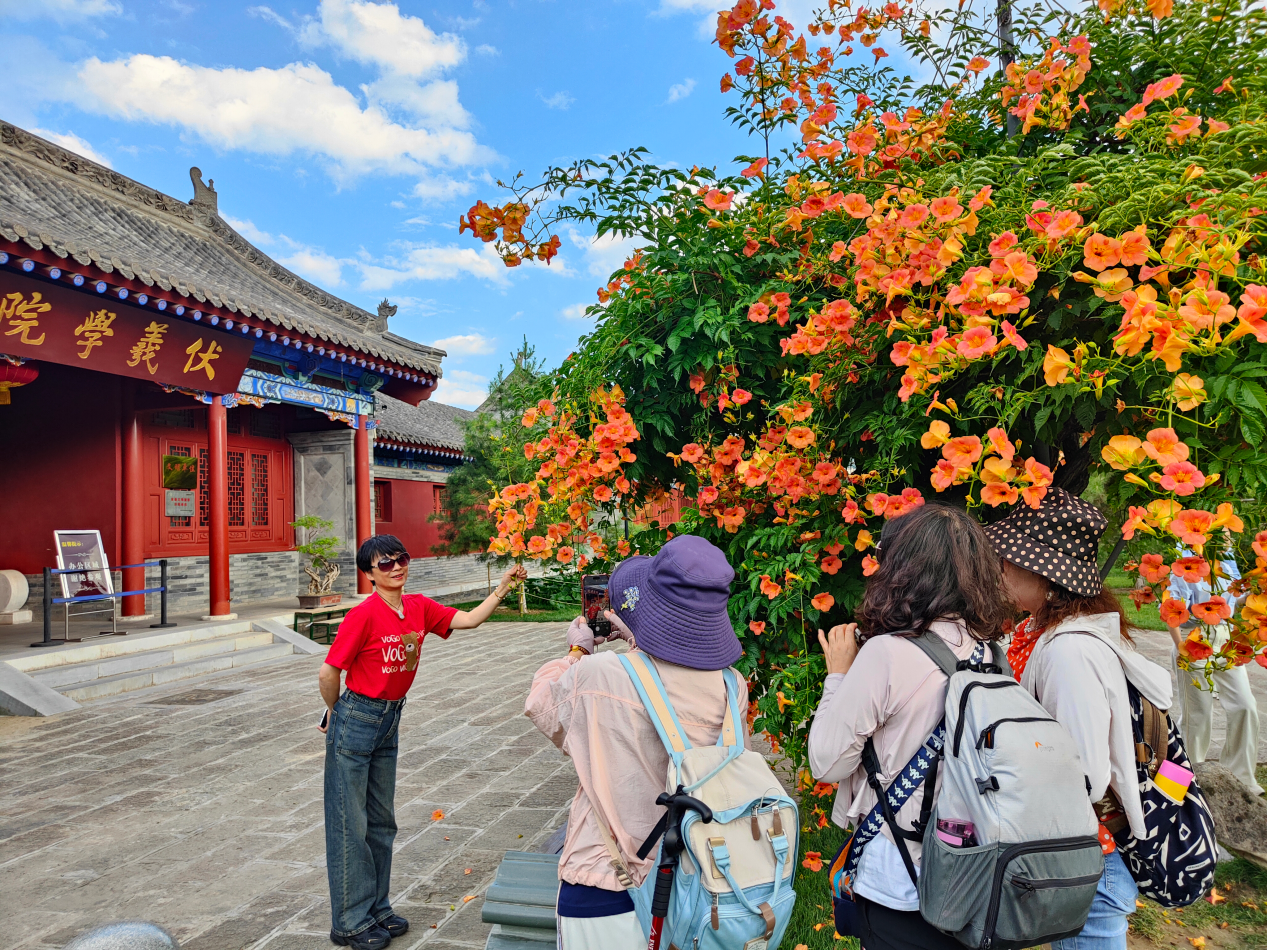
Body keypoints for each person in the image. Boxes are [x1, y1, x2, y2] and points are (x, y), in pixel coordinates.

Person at [524, 534, 747, 949]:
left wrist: (577, 649)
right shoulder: (734, 686)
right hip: (695, 887)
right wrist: (641, 640)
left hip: (606, 884)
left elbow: (541, 705)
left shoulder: (601, 674)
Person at [808, 503, 1011, 950]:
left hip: (902, 879)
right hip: (972, 871)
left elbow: (825, 763)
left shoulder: (889, 653)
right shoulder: (992, 653)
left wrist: (838, 674)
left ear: (900, 570)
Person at [318, 534, 527, 950]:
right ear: (370, 573)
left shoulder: (417, 607)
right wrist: (334, 711)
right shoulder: (363, 615)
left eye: (401, 558)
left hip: (389, 719)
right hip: (357, 717)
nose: (395, 567)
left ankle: (376, 908)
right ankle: (349, 921)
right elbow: (329, 672)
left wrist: (503, 587)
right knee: (350, 824)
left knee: (381, 822)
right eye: (384, 564)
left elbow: (468, 620)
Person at [985, 488, 1173, 950]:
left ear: (1046, 574)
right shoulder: (1044, 632)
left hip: (1088, 865)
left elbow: (1085, 776)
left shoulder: (1069, 650)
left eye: (1007, 560)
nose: (997, 570)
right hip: (1080, 856)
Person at [1166, 539, 1264, 796]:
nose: (1230, 538)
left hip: (1226, 638)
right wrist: (1181, 648)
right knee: (1197, 715)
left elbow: (1234, 602)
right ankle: (1186, 780)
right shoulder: (1184, 562)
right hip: (1193, 637)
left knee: (1246, 706)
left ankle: (1240, 777)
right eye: (1226, 533)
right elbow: (1171, 609)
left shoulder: (1228, 559)